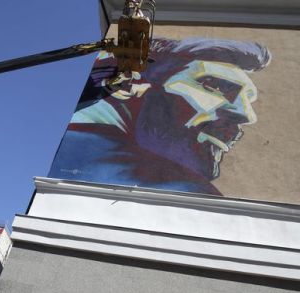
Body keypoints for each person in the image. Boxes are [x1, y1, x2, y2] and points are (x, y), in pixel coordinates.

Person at [49, 37, 271, 195]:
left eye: (247, 100)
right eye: (214, 85)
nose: (246, 114)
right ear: (132, 86)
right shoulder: (185, 191)